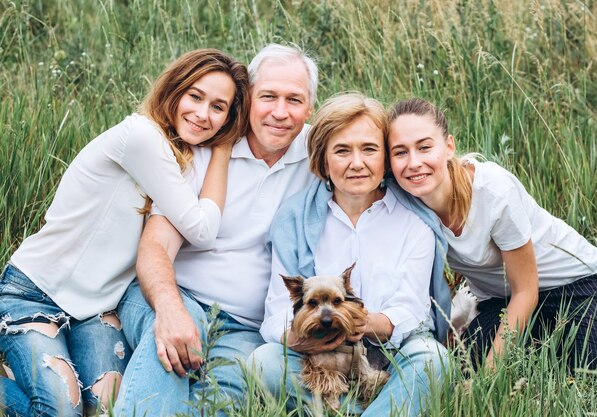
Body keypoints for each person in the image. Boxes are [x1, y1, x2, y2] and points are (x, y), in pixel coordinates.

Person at [0, 48, 249, 416]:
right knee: (60, 410)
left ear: (229, 116)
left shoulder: (184, 158)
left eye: (218, 107)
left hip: (99, 308)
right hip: (36, 292)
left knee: (107, 409)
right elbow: (202, 229)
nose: (202, 114)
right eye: (195, 96)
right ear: (175, 90)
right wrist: (225, 150)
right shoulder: (141, 137)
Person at [113, 43, 318, 416]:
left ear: (310, 109)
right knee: (168, 363)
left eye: (294, 100)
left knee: (216, 403)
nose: (280, 112)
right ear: (247, 99)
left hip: (245, 325)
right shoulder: (205, 147)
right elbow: (155, 246)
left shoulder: (321, 157)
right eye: (268, 96)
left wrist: (460, 168)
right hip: (177, 295)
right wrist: (171, 310)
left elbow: (381, 148)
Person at [387, 97, 597, 373]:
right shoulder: (403, 200)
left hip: (575, 286)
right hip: (500, 299)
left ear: (449, 146)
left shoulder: (493, 192)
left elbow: (526, 291)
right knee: (463, 366)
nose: (414, 162)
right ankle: (536, 337)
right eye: (400, 152)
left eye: (425, 147)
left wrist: (489, 375)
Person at [249, 93, 450, 416]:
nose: (357, 163)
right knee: (264, 363)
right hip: (321, 356)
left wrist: (364, 324)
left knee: (433, 362)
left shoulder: (414, 220)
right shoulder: (294, 220)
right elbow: (275, 315)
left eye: (369, 149)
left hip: (394, 348)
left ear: (385, 157)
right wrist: (310, 336)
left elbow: (412, 310)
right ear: (323, 160)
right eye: (342, 151)